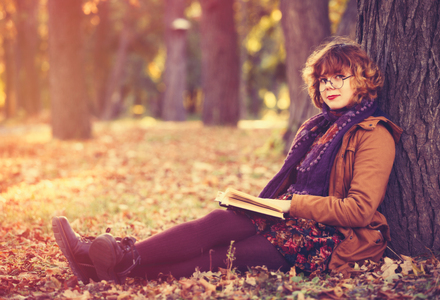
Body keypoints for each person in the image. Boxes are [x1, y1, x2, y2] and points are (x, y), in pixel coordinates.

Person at [52, 37, 402, 285]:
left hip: (329, 240)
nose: (329, 85)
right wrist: (267, 205)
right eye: (323, 79)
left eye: (339, 76)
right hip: (287, 215)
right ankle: (112, 257)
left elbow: (359, 210)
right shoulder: (318, 128)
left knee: (221, 257)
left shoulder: (374, 134)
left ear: (361, 80)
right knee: (217, 222)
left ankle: (100, 266)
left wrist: (288, 207)